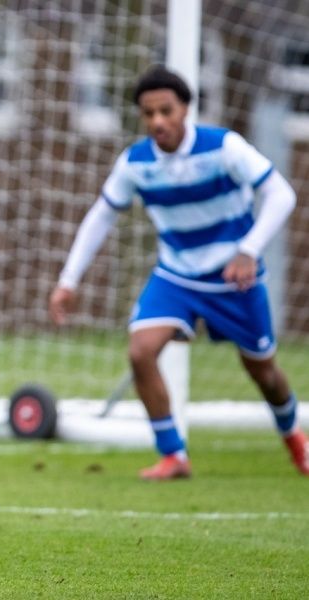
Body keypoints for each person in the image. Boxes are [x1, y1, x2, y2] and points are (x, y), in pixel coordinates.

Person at [48, 65, 308, 481]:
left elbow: (281, 194)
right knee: (140, 351)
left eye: (166, 111)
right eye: (149, 114)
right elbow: (101, 217)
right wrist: (68, 280)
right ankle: (174, 455)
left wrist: (248, 250)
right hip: (177, 277)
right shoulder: (136, 162)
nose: (158, 122)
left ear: (186, 108)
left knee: (264, 372)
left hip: (233, 278)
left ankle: (294, 438)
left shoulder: (224, 147)